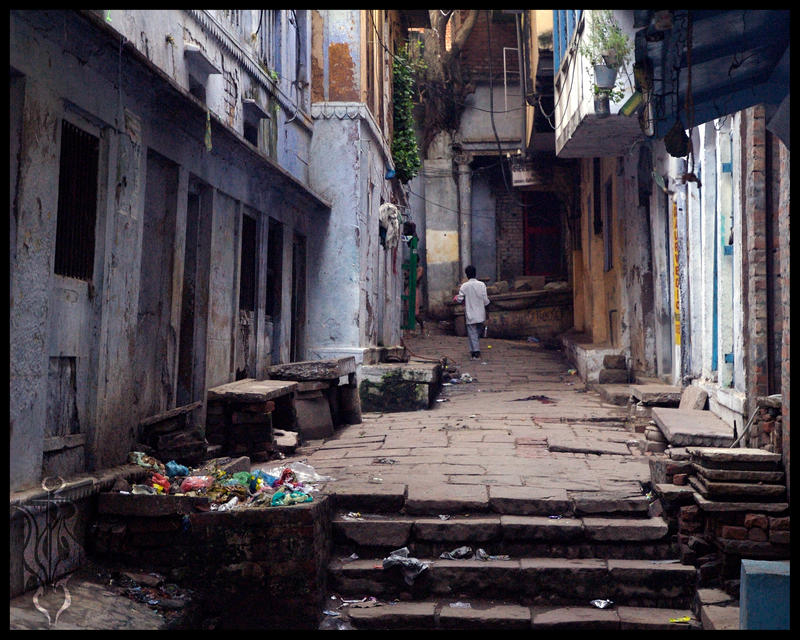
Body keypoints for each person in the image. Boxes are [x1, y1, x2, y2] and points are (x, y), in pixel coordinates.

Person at [453, 265, 490, 360]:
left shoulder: (464, 286)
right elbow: (486, 300)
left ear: (467, 275)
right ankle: (474, 350)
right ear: (475, 273)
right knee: (477, 332)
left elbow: (460, 299)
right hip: (481, 313)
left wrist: (456, 298)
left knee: (472, 333)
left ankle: (475, 352)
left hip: (470, 313)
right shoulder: (482, 285)